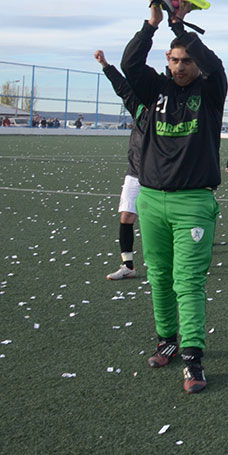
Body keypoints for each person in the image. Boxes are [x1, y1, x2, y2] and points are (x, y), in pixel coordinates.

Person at [121, 0, 227, 393]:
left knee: (188, 281)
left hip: (193, 204)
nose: (181, 66)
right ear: (167, 61)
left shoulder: (210, 90)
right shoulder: (156, 88)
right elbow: (131, 65)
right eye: (175, 60)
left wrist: (180, 27)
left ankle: (193, 358)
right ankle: (166, 340)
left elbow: (215, 65)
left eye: (187, 60)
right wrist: (152, 23)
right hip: (151, 200)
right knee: (159, 277)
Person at [95, 49, 146, 281]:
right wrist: (106, 65)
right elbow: (122, 87)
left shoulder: (168, 111)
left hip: (161, 177)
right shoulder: (138, 107)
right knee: (126, 217)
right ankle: (128, 265)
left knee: (164, 223)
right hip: (135, 173)